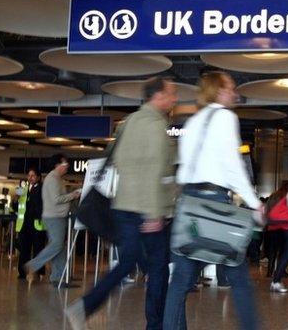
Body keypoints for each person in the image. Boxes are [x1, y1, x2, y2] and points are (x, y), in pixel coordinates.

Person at [65, 76, 178, 330]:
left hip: (122, 206)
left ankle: (85, 306)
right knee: (158, 269)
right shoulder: (154, 126)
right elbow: (154, 170)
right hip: (147, 210)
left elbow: (116, 161)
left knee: (128, 262)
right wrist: (152, 214)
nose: (174, 98)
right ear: (158, 96)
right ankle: (155, 326)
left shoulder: (127, 124)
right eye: (171, 93)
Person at [164, 71, 265, 330]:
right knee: (239, 278)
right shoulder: (225, 117)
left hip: (189, 203)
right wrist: (255, 203)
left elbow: (183, 169)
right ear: (218, 91)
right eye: (231, 87)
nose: (235, 92)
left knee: (180, 281)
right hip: (215, 204)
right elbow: (233, 167)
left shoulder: (193, 121)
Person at [24, 154, 80, 284]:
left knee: (59, 247)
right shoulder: (53, 179)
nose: (67, 167)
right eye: (65, 164)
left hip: (56, 216)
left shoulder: (57, 179)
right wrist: (73, 195)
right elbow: (56, 199)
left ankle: (58, 276)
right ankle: (33, 265)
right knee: (56, 245)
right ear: (57, 165)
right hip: (54, 217)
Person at [16, 169, 46, 280]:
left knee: (38, 248)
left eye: (33, 175)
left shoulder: (42, 189)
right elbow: (20, 204)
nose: (30, 177)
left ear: (38, 177)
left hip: (37, 223)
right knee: (24, 248)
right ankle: (22, 272)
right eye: (29, 175)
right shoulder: (24, 189)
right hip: (25, 223)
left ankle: (38, 272)